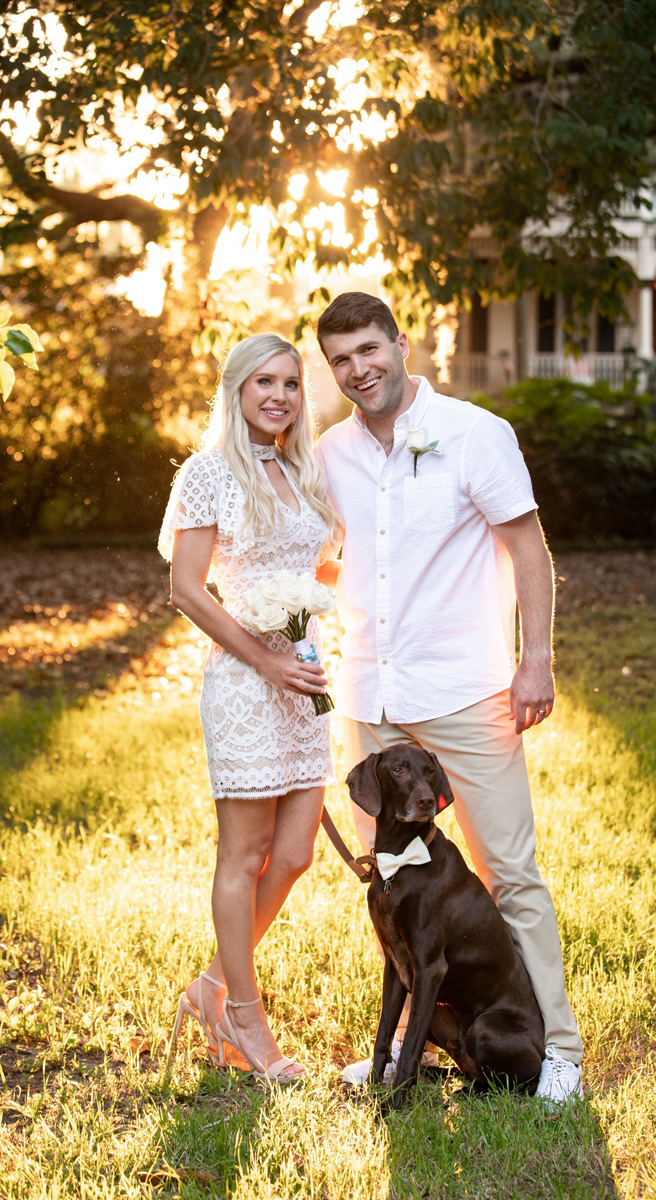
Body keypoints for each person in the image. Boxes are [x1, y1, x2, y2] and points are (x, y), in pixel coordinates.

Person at [314, 292, 584, 1103]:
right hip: (372, 695)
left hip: (467, 691)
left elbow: (527, 548)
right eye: (341, 360)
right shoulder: (330, 453)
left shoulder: (474, 433)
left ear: (401, 343)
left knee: (510, 873)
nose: (359, 369)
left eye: (370, 349)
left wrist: (536, 659)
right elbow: (323, 554)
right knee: (393, 882)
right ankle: (413, 1044)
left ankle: (558, 1051)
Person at [159, 333, 338, 1085]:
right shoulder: (208, 473)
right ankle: (243, 1014)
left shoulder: (303, 469)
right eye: (264, 382)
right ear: (236, 390)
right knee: (244, 853)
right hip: (244, 682)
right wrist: (263, 657)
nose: (279, 396)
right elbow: (187, 587)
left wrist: (316, 613)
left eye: (291, 384)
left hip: (304, 678)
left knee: (294, 854)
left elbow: (315, 564)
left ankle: (209, 987)